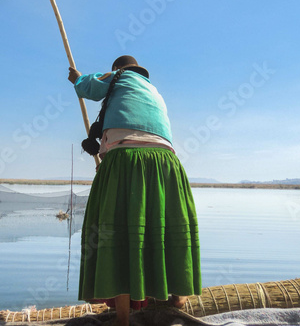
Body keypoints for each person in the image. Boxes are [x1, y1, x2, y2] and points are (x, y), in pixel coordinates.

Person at [68, 55, 201, 326]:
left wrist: (77, 78)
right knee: (164, 225)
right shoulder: (154, 91)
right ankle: (178, 296)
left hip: (127, 160)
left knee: (118, 230)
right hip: (167, 163)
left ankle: (122, 319)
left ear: (118, 70)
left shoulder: (118, 78)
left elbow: (87, 87)